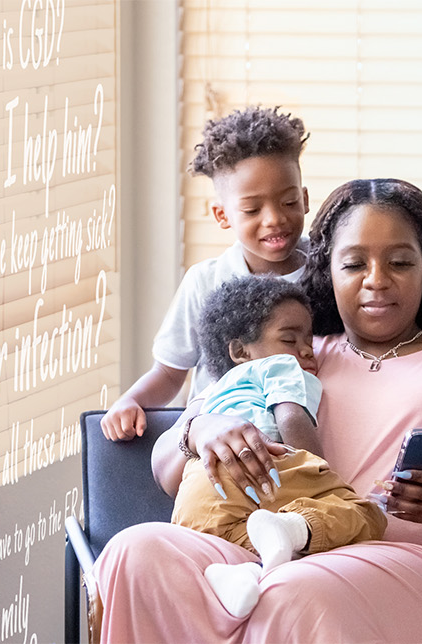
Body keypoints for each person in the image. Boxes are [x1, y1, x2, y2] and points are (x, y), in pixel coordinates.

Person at [94, 179, 422, 642]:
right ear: (328, 271)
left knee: (293, 592)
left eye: (400, 262)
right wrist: (199, 427)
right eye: (354, 263)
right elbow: (165, 470)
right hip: (271, 554)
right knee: (134, 551)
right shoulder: (288, 354)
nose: (376, 279)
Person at [172, 275, 386, 619]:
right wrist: (317, 469)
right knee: (366, 515)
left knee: (246, 541)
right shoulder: (279, 366)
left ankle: (237, 573)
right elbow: (290, 415)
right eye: (290, 339)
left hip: (199, 490)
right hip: (263, 465)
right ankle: (292, 526)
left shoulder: (213, 390)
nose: (304, 350)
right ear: (241, 351)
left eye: (309, 341)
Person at [101, 106, 311, 441]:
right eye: (252, 209)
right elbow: (170, 373)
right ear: (222, 215)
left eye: (288, 203)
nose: (274, 219)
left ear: (304, 199)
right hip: (219, 446)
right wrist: (131, 401)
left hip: (299, 440)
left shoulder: (328, 271)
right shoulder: (206, 282)